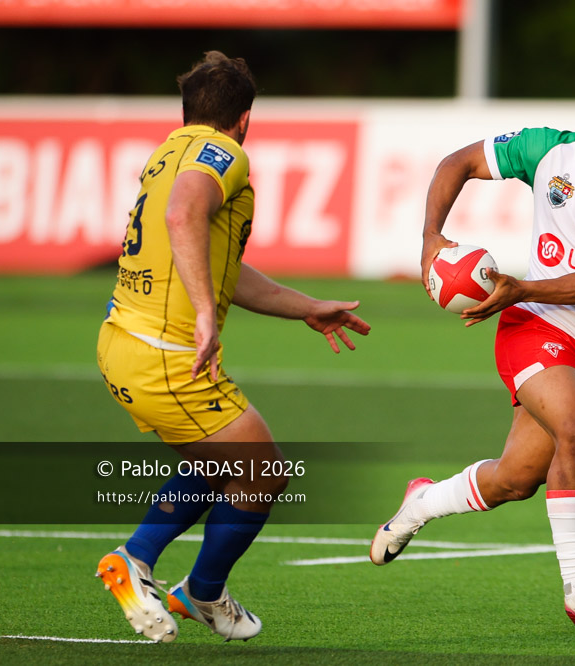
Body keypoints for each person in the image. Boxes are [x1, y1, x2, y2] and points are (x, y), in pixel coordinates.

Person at [370, 60, 575, 626]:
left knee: (516, 479)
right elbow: (457, 162)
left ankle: (423, 502)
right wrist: (431, 240)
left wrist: (520, 284)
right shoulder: (548, 151)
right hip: (532, 325)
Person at [95, 51, 370, 642]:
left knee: (225, 463)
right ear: (244, 118)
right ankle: (164, 573)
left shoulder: (167, 152)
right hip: (166, 354)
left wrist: (307, 307)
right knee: (262, 469)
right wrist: (202, 314)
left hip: (124, 343)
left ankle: (181, 579)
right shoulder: (225, 155)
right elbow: (183, 213)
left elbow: (222, 265)